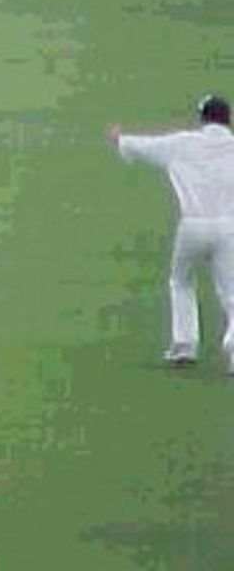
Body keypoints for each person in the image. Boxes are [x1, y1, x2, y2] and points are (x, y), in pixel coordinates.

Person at [109, 95, 234, 374]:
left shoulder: (183, 143)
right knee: (231, 292)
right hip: (229, 227)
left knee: (181, 281)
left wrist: (120, 139)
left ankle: (184, 345)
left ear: (203, 118)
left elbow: (145, 147)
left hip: (192, 225)